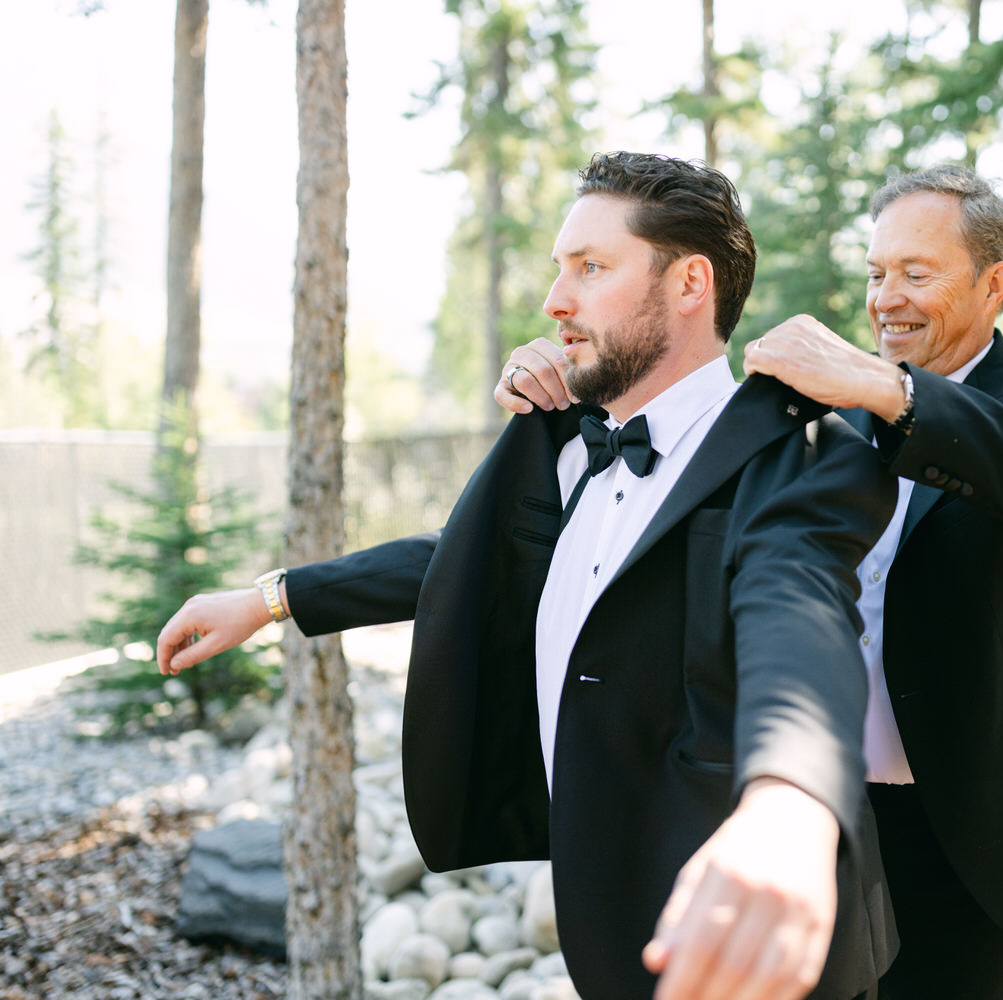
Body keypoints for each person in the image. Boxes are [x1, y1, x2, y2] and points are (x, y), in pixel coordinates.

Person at [157, 151, 899, 1000]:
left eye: (591, 267)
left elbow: (797, 614)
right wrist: (270, 599)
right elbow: (464, 564)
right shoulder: (569, 438)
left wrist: (790, 806)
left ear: (691, 283)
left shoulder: (797, 449)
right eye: (559, 269)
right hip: (607, 914)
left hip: (758, 939)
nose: (556, 301)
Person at [501, 164, 1003, 999]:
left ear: (996, 284)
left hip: (970, 821)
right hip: (820, 809)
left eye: (917, 274)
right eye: (876, 275)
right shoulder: (819, 421)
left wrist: (889, 390)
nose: (887, 300)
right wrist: (562, 390)